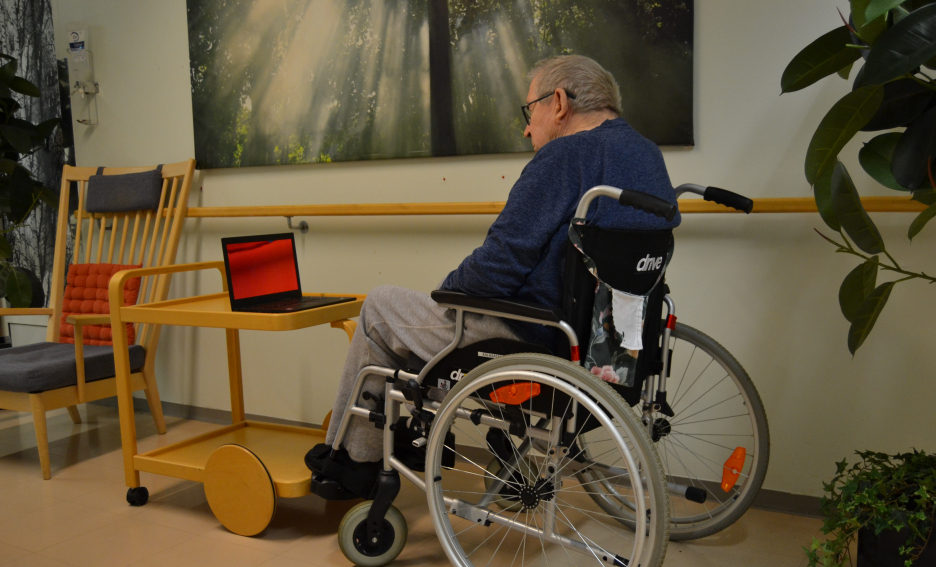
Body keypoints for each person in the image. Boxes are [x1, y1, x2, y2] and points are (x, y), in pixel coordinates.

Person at [307, 55, 680, 492]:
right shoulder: (646, 154)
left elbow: (499, 263)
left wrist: (447, 295)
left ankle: (353, 463)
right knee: (418, 321)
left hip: (532, 337)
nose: (527, 128)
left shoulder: (565, 155)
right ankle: (413, 439)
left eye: (530, 110)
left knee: (379, 308)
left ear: (558, 102)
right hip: (611, 347)